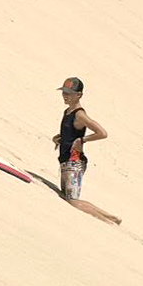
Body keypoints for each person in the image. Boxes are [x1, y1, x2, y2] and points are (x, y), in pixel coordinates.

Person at [54, 77, 120, 224]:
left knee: (73, 201)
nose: (65, 95)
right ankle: (111, 218)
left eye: (69, 93)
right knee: (68, 197)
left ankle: (107, 221)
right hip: (66, 161)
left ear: (79, 95)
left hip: (74, 163)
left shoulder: (79, 114)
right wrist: (59, 138)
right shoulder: (68, 112)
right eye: (64, 92)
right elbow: (71, 133)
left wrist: (82, 140)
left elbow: (102, 133)